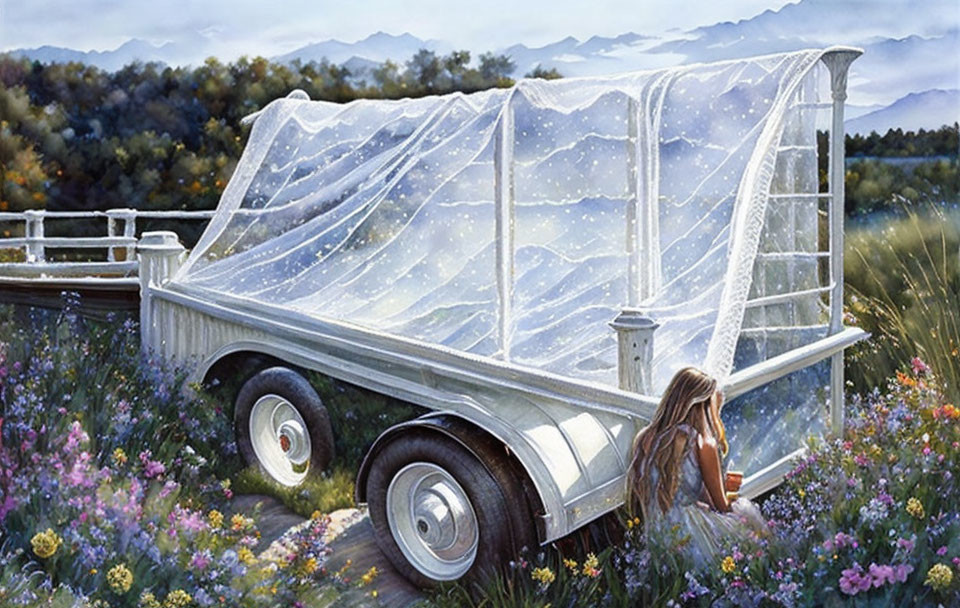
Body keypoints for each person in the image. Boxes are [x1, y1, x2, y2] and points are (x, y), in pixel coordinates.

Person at [626, 366, 766, 569]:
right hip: (691, 535)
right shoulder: (701, 442)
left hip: (656, 533)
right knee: (750, 523)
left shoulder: (645, 437)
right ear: (703, 405)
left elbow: (670, 487)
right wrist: (729, 493)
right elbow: (721, 505)